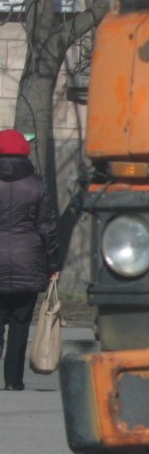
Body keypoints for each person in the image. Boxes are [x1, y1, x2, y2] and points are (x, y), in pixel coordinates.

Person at [0, 130, 58, 391]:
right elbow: (47, 227)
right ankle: (13, 380)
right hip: (27, 261)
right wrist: (53, 264)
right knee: (21, 324)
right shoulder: (37, 184)